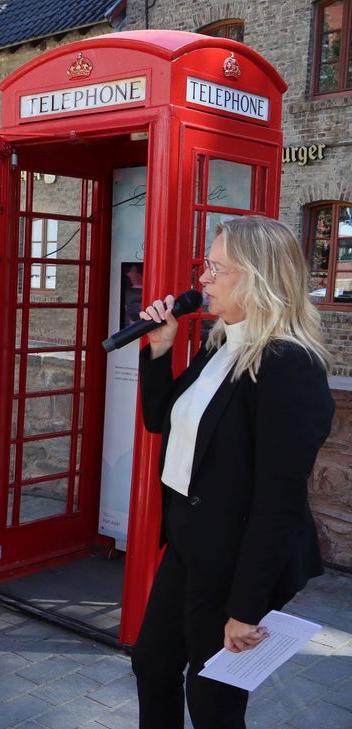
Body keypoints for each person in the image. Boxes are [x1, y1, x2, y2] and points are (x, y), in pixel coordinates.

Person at [131, 216, 333, 729]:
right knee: (152, 663)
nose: (202, 279)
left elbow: (280, 501)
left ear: (259, 277)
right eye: (206, 265)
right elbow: (163, 420)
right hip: (189, 543)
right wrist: (160, 348)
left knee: (213, 703)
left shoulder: (289, 364)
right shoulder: (222, 343)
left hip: (235, 559)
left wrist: (245, 608)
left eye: (217, 268)